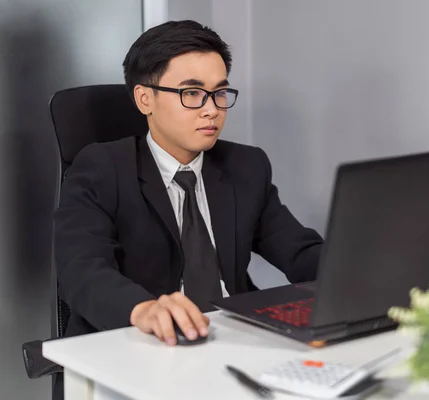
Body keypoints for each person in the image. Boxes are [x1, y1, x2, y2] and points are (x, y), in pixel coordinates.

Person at [54, 20, 323, 346]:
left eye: (219, 93)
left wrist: (366, 271)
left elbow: (300, 252)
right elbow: (82, 271)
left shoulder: (246, 167)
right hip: (140, 343)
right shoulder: (100, 168)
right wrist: (144, 310)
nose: (211, 110)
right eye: (192, 93)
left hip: (233, 338)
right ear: (145, 100)